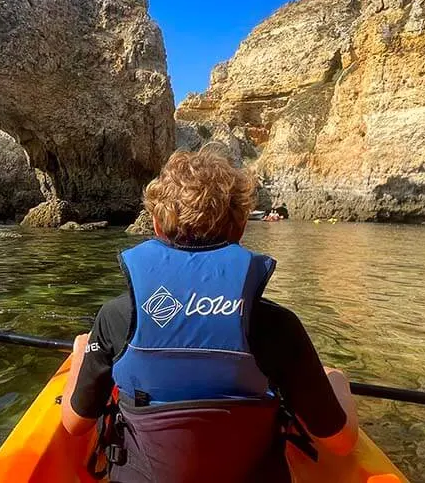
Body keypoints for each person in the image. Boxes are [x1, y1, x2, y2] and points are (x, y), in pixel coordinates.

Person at [61, 149, 359, 482]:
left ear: (156, 225)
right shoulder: (278, 325)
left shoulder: (116, 317)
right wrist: (336, 380)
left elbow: (75, 424)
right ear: (242, 227)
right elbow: (342, 442)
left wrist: (79, 356)